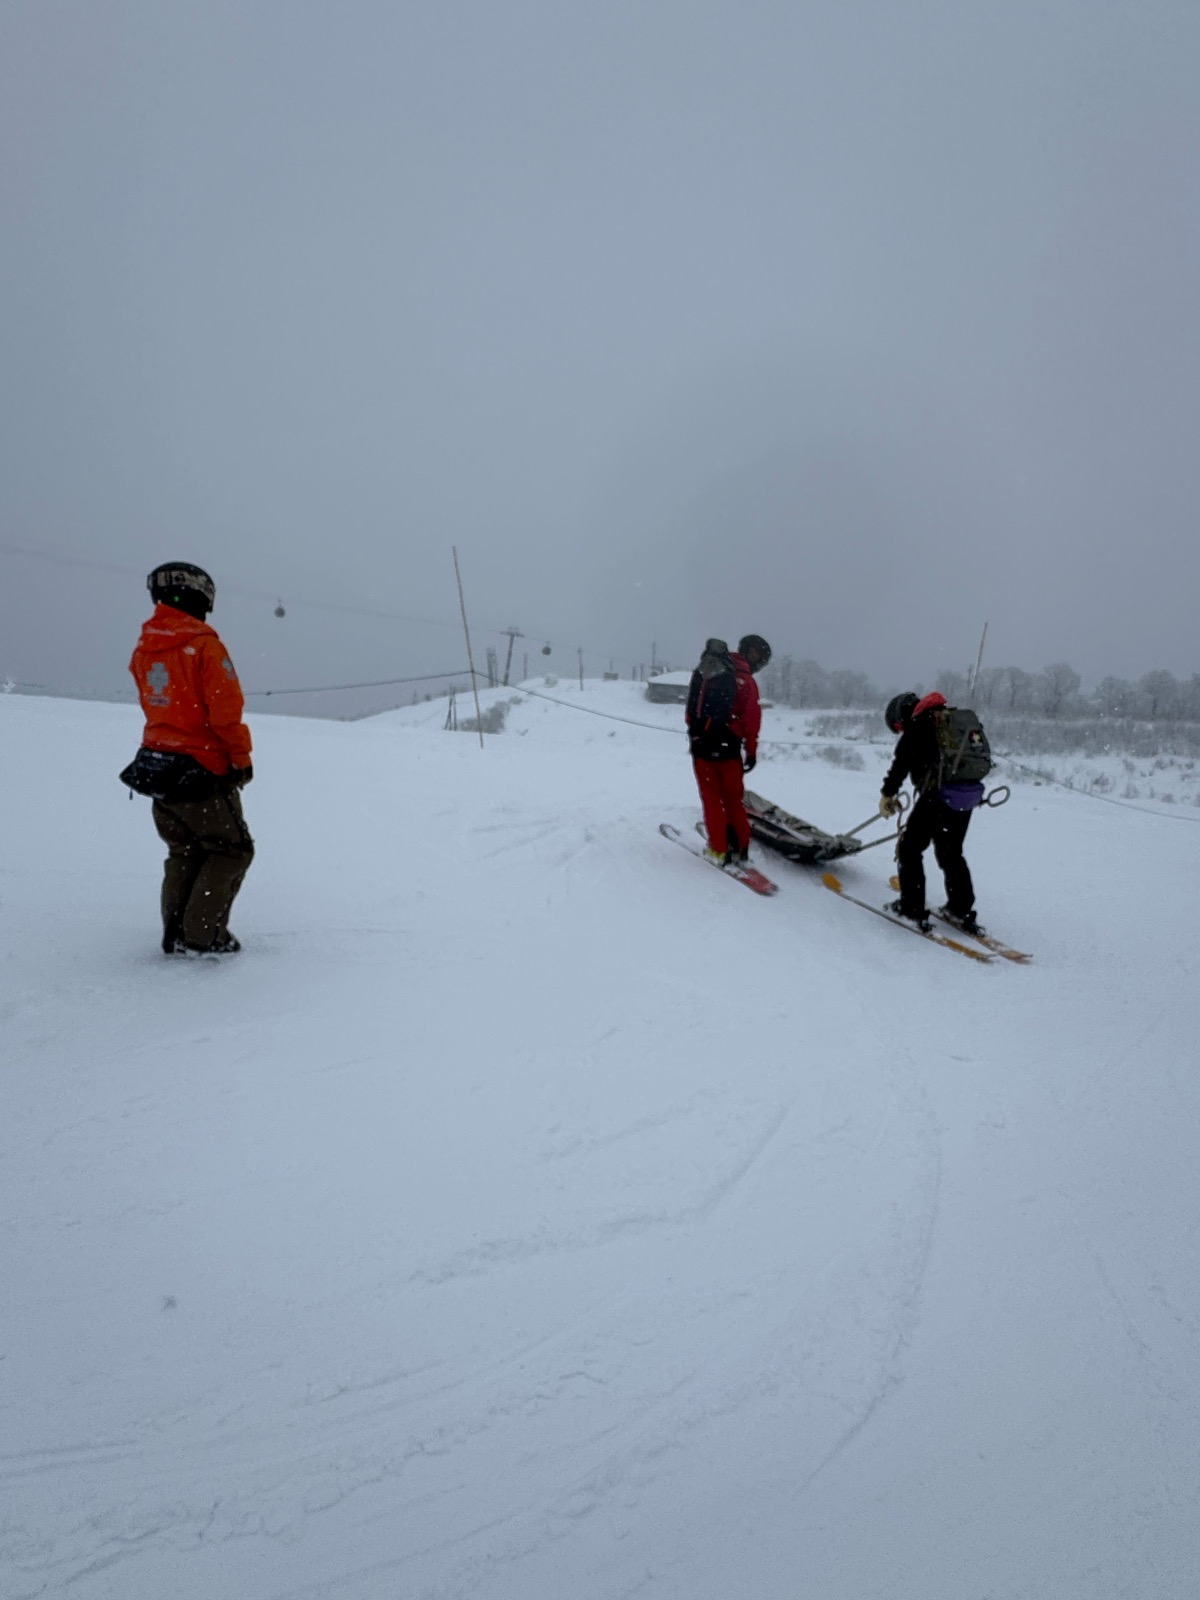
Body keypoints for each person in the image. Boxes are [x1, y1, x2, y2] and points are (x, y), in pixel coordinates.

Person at [126, 562, 255, 954]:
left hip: (157, 766)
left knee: (184, 850)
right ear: (201, 597)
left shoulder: (146, 648)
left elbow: (157, 703)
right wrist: (240, 758)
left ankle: (176, 932)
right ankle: (203, 936)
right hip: (200, 770)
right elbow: (225, 712)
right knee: (230, 849)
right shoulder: (203, 647)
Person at [878, 690, 979, 933]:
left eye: (899, 727)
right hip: (966, 795)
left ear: (901, 716)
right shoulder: (949, 720)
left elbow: (900, 764)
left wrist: (887, 794)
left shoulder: (919, 724)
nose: (902, 731)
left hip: (938, 797)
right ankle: (960, 909)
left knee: (909, 849)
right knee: (950, 853)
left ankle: (911, 909)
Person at [685, 634, 771, 865]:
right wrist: (751, 751)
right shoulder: (746, 682)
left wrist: (697, 735)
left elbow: (691, 710)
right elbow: (751, 721)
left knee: (711, 799)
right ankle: (740, 848)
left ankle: (718, 849)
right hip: (729, 749)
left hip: (702, 748)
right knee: (733, 799)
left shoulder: (708, 672)